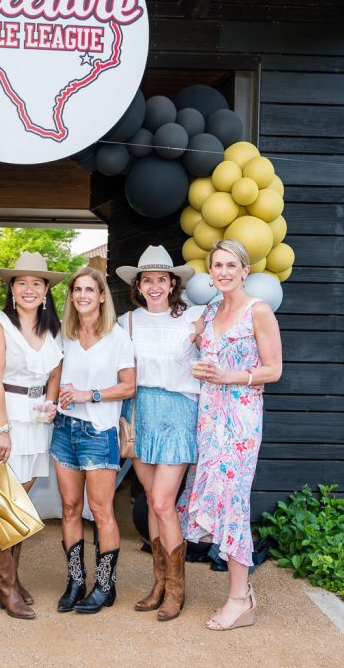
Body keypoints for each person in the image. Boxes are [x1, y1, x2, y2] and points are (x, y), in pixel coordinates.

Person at [181, 238, 282, 631]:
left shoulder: (259, 311)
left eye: (230, 265)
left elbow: (274, 370)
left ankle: (239, 599)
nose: (223, 272)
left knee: (234, 501)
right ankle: (243, 595)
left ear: (245, 271)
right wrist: (199, 358)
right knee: (214, 495)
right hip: (209, 415)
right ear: (210, 272)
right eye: (217, 265)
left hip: (240, 419)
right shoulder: (210, 310)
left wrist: (229, 376)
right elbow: (199, 350)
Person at [0, 251, 64, 620]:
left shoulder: (52, 326)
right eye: (21, 282)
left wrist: (51, 401)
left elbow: (56, 371)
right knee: (1, 504)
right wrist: (3, 429)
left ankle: (9, 579)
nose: (29, 289)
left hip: (36, 419)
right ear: (11, 289)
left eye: (36, 283)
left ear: (46, 290)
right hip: (3, 416)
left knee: (18, 503)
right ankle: (5, 586)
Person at [114, 245, 201, 622]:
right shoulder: (126, 323)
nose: (154, 286)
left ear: (173, 284)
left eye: (161, 280)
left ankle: (176, 588)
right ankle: (159, 583)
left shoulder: (193, 318)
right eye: (147, 280)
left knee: (164, 502)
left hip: (178, 411)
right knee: (151, 499)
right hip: (140, 412)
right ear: (138, 285)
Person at [52, 267, 135, 614]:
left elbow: (129, 386)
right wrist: (50, 401)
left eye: (90, 289)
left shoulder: (117, 338)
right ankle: (76, 581)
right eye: (77, 290)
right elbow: (54, 377)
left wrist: (91, 394)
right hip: (64, 429)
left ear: (102, 296)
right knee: (70, 508)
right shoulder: (65, 335)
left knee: (101, 511)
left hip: (99, 432)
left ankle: (105, 585)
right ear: (71, 296)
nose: (82, 295)